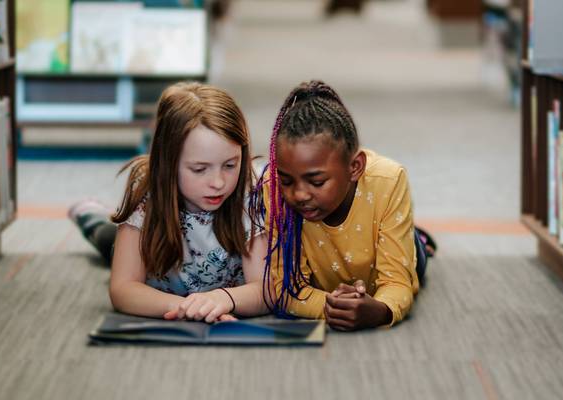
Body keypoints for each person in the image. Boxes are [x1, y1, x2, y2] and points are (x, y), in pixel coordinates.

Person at [70, 82, 267, 323]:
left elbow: (265, 290)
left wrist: (222, 299)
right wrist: (191, 308)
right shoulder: (147, 188)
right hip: (156, 260)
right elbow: (123, 289)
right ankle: (88, 212)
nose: (218, 182)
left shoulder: (251, 191)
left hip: (216, 288)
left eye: (230, 165)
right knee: (105, 237)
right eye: (199, 169)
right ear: (168, 163)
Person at [254, 80, 434, 331]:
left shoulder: (389, 180)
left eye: (316, 181)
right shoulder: (273, 189)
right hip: (333, 283)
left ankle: (417, 238)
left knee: (414, 255)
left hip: (389, 252)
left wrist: (381, 311)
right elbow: (284, 288)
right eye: (287, 180)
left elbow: (397, 283)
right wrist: (332, 306)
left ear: (355, 167)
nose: (299, 194)